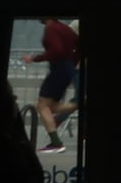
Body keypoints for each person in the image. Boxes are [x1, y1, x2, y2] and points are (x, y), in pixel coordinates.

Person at [25, 16, 82, 151]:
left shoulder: (51, 28)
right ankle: (80, 103)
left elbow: (56, 50)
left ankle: (56, 143)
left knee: (42, 105)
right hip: (67, 70)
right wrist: (72, 63)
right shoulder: (64, 28)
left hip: (58, 70)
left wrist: (35, 58)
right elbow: (79, 46)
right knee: (52, 107)